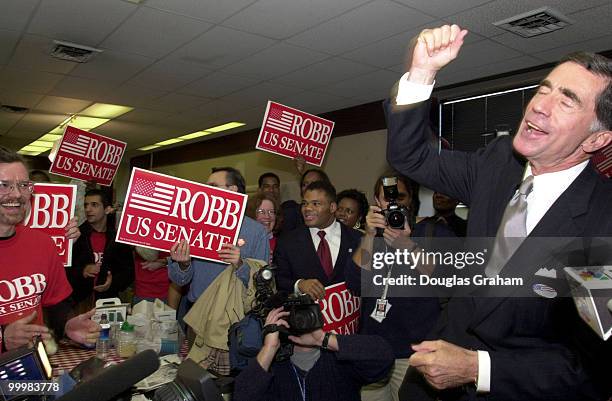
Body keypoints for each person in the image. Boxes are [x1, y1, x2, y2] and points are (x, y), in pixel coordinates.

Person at [386, 24, 612, 400]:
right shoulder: (497, 162)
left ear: (596, 138)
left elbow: (590, 368)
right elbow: (411, 156)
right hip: (429, 386)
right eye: (544, 90)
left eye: (566, 101)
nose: (539, 105)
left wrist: (478, 368)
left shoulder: (602, 222)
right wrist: (423, 73)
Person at [345, 173, 450, 401]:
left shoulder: (432, 233)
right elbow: (355, 282)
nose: (394, 204)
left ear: (410, 199)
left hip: (416, 351)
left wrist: (407, 245)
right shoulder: (367, 238)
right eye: (387, 199)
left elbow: (446, 278)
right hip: (373, 351)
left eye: (400, 197)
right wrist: (370, 235)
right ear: (376, 201)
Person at [0, 146, 100, 352]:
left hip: (31, 370)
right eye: (4, 185)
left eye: (23, 185)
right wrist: (3, 337)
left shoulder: (43, 244)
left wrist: (67, 324)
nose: (17, 194)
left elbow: (56, 303)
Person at [233, 306, 395, 401]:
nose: (302, 320)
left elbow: (384, 357)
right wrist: (269, 348)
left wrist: (323, 339)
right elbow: (242, 396)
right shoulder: (275, 367)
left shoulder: (339, 361)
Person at [168, 167, 269, 310]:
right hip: (198, 314)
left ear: (233, 190)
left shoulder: (256, 232)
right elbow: (179, 280)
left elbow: (263, 282)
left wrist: (240, 265)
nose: (205, 190)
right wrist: (183, 265)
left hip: (239, 317)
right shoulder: (193, 226)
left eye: (213, 186)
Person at [275, 181, 362, 300]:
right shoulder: (287, 242)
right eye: (304, 203)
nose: (307, 208)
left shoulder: (357, 240)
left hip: (351, 315)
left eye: (316, 204)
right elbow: (279, 280)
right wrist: (299, 285)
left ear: (332, 207)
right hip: (306, 316)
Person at [69, 189, 135, 310]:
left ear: (107, 209)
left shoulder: (118, 239)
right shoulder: (75, 236)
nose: (88, 209)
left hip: (108, 303)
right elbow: (62, 271)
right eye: (86, 205)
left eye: (94, 205)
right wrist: (82, 271)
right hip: (79, 303)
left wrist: (112, 283)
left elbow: (129, 273)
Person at [281, 168, 331, 233]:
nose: (308, 188)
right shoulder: (290, 214)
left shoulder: (333, 215)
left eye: (313, 184)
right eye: (305, 184)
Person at [246, 192, 282, 262]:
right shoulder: (243, 243)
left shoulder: (283, 245)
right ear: (252, 215)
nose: (267, 216)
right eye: (261, 212)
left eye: (271, 212)